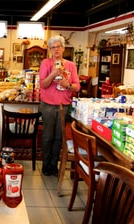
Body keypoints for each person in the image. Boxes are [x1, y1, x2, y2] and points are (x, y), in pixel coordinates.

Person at [39, 35, 80, 176]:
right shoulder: (46, 63)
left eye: (58, 47)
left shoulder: (71, 65)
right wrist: (54, 74)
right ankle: (45, 165)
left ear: (63, 48)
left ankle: (54, 165)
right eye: (53, 47)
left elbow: (77, 86)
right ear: (50, 50)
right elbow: (43, 85)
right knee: (48, 136)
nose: (56, 50)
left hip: (64, 105)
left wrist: (67, 84)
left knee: (59, 137)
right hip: (48, 105)